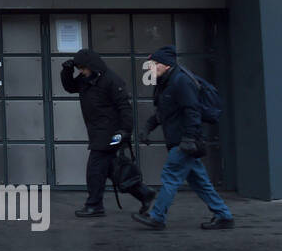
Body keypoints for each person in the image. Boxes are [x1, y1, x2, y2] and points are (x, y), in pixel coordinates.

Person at [133, 45, 234, 230]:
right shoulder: (165, 83)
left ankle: (157, 217)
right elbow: (165, 111)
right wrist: (148, 127)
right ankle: (223, 215)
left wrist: (189, 138)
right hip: (179, 140)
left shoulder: (181, 81)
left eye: (155, 63)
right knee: (200, 181)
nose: (151, 67)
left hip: (185, 142)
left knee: (170, 176)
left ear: (166, 65)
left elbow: (192, 111)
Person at [60, 48, 155, 217]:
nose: (81, 72)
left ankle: (94, 205)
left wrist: (125, 131)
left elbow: (124, 107)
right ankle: (144, 193)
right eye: (79, 69)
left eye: (82, 68)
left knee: (95, 169)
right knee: (113, 169)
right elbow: (70, 87)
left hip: (110, 133)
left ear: (92, 65)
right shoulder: (85, 79)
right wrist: (66, 72)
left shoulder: (111, 80)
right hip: (97, 132)